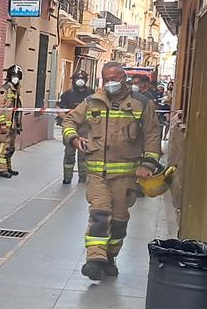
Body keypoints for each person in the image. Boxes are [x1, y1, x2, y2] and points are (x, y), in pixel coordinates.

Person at [61, 62, 162, 280]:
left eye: (114, 78)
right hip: (97, 173)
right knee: (99, 214)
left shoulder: (142, 104)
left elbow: (153, 135)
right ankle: (95, 260)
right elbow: (69, 119)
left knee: (118, 220)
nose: (110, 83)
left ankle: (110, 256)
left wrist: (148, 164)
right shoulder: (92, 102)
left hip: (126, 176)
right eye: (106, 79)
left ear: (124, 78)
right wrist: (73, 138)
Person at [56, 70, 92, 184]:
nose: (79, 81)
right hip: (71, 127)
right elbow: (59, 108)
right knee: (69, 154)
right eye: (77, 79)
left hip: (86, 128)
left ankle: (83, 177)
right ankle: (67, 177)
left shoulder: (91, 94)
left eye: (82, 78)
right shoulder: (67, 94)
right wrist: (67, 118)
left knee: (84, 154)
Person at [0, 65, 24, 178]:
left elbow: (16, 108)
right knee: (4, 146)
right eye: (14, 76)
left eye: (17, 76)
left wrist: (18, 125)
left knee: (10, 147)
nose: (16, 78)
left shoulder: (15, 90)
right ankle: (1, 170)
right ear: (9, 77)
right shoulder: (4, 89)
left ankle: (8, 167)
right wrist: (2, 124)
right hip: (5, 125)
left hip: (13, 125)